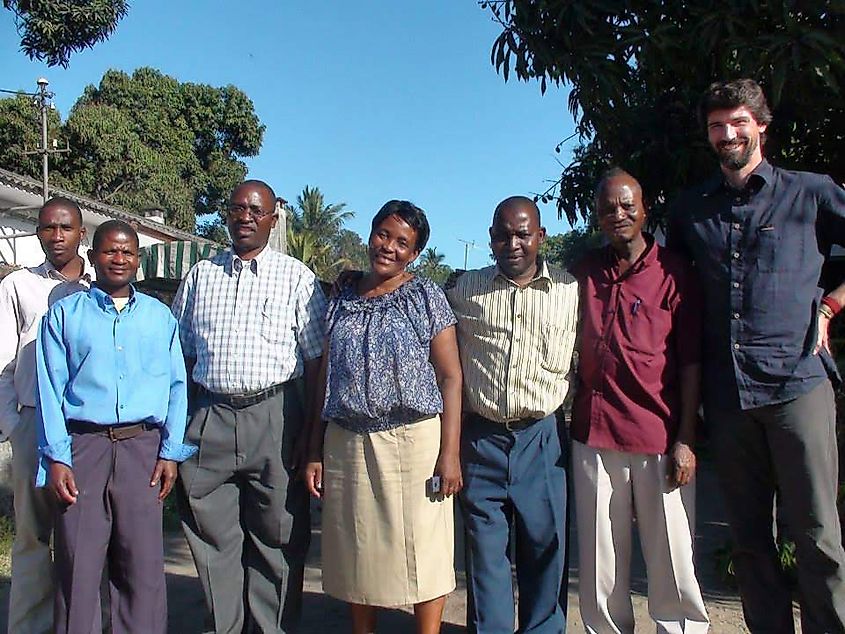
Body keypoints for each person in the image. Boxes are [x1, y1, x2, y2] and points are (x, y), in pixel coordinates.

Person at [668, 78, 845, 632]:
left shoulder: (811, 192)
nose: (728, 134)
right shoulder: (690, 210)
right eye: (717, 125)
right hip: (728, 397)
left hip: (798, 386)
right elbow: (676, 295)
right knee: (748, 542)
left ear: (761, 125)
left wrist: (832, 306)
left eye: (738, 121)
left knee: (818, 535)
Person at [172, 179, 327, 633]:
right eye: (237, 208)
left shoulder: (297, 278)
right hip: (209, 418)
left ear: (272, 219)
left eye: (255, 211)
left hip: (275, 418)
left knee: (277, 538)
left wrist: (310, 436)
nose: (245, 217)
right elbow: (179, 357)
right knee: (210, 539)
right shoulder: (201, 275)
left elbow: (318, 365)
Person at [302, 200, 463, 634]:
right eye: (383, 235)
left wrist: (450, 454)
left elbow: (450, 377)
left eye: (402, 243)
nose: (388, 247)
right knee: (358, 548)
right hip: (348, 440)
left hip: (414, 441)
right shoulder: (342, 296)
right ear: (370, 234)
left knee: (423, 549)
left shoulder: (425, 296)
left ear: (414, 254)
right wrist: (314, 449)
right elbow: (326, 378)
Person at [35, 219, 194, 634]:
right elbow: (51, 390)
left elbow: (177, 386)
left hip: (142, 448)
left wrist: (170, 453)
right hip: (83, 448)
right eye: (110, 251)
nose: (118, 259)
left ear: (138, 260)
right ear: (93, 257)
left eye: (127, 252)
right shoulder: (64, 316)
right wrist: (56, 458)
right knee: (78, 566)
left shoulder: (160, 318)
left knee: (141, 568)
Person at [570, 168, 709, 633]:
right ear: (597, 216)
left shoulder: (674, 272)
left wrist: (686, 439)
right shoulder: (585, 271)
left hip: (658, 435)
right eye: (608, 208)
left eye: (628, 205)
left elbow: (691, 362)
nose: (618, 214)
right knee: (600, 561)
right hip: (594, 433)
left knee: (672, 557)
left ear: (645, 209)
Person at [446, 196, 579, 633]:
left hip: (543, 440)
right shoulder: (462, 289)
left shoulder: (570, 291)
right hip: (481, 439)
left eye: (523, 233)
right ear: (490, 239)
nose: (513, 243)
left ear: (541, 236)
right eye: (503, 235)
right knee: (486, 557)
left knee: (546, 550)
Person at [0, 197, 89, 634]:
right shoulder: (17, 287)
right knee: (33, 537)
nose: (57, 237)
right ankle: (30, 627)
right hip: (33, 424)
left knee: (88, 537)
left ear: (81, 234)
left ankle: (84, 623)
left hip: (88, 430)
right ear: (38, 233)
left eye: (66, 228)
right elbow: (2, 364)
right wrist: (15, 426)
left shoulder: (101, 286)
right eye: (48, 228)